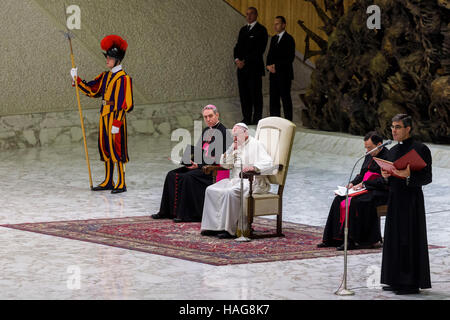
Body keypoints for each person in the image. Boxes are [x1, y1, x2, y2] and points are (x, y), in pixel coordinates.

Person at [70, 35, 133, 194]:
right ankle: (108, 180)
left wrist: (117, 124)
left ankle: (121, 182)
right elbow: (93, 90)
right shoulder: (106, 76)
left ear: (117, 60)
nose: (107, 60)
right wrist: (77, 80)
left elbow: (126, 104)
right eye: (107, 57)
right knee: (105, 148)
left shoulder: (124, 79)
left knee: (117, 150)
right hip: (104, 116)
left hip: (115, 118)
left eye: (110, 58)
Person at [151, 105, 231, 222]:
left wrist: (198, 165)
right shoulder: (206, 130)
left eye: (210, 116)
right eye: (205, 117)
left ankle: (186, 215)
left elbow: (218, 158)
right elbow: (199, 150)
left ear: (217, 115)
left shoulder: (224, 133)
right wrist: (187, 160)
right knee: (171, 174)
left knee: (188, 177)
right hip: (200, 165)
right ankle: (166, 212)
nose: (208, 119)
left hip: (212, 170)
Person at [380, 114, 432, 295]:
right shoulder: (392, 151)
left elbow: (427, 177)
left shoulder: (421, 149)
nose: (393, 130)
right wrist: (386, 177)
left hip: (411, 202)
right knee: (393, 239)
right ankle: (393, 279)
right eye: (392, 127)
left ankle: (409, 282)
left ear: (408, 129)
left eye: (398, 127)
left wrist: (408, 177)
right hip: (395, 200)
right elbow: (390, 176)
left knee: (408, 239)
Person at [317, 131, 389, 250]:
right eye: (366, 148)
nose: (367, 151)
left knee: (356, 202)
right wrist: (352, 183)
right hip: (365, 188)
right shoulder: (369, 155)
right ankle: (333, 239)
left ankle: (353, 241)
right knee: (338, 199)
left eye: (370, 148)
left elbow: (385, 181)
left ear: (380, 144)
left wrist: (364, 184)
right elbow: (362, 174)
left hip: (380, 191)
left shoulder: (388, 156)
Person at [200, 123, 274, 239]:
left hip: (252, 181)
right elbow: (225, 165)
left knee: (230, 192)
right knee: (211, 190)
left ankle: (230, 230)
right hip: (235, 180)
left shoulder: (256, 144)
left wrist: (254, 167)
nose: (235, 138)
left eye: (237, 135)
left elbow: (269, 163)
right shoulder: (235, 146)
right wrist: (230, 151)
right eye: (233, 136)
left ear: (245, 133)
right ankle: (213, 227)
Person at [233, 7, 268, 125]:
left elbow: (259, 50)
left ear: (256, 15)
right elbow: (237, 47)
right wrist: (237, 59)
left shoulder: (262, 30)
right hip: (241, 69)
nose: (248, 16)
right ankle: (246, 118)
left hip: (254, 69)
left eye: (251, 14)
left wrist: (245, 61)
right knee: (244, 94)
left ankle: (257, 119)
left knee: (255, 95)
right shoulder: (243, 30)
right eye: (247, 14)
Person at [266, 16, 296, 121]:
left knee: (285, 99)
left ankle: (288, 122)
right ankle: (275, 121)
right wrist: (268, 66)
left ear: (283, 25)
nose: (275, 26)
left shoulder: (289, 39)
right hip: (273, 75)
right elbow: (269, 55)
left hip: (284, 74)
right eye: (274, 24)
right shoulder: (273, 39)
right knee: (273, 100)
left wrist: (276, 67)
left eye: (277, 24)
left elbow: (289, 58)